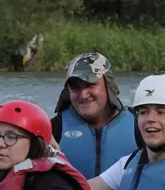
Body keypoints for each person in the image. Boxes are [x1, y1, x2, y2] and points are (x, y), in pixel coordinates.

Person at [52, 52, 141, 180]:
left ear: (108, 85)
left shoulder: (139, 125)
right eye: (75, 88)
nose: (83, 95)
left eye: (90, 84)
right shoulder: (54, 129)